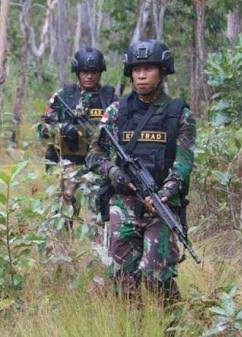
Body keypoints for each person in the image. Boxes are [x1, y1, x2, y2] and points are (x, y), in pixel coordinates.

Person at [86, 40, 196, 303]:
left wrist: (166, 193)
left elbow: (184, 163)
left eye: (149, 68)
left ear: (162, 72)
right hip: (123, 203)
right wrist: (113, 171)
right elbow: (94, 154)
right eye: (137, 69)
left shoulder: (179, 113)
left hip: (162, 206)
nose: (142, 75)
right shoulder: (116, 111)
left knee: (157, 277)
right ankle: (133, 327)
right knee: (123, 277)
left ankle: (173, 327)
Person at [37, 47, 117, 233]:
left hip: (98, 168)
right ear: (77, 73)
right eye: (85, 72)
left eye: (94, 72)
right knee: (61, 219)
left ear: (100, 72)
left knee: (97, 221)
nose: (89, 76)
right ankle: (61, 257)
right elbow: (42, 129)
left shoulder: (109, 98)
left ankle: (99, 258)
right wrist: (63, 129)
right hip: (68, 166)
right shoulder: (63, 96)